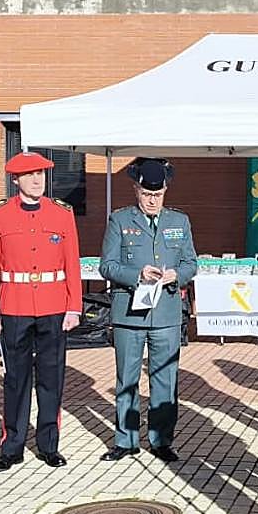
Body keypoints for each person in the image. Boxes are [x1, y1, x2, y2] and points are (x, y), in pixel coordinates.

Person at [0, 152, 83, 473]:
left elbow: (72, 262)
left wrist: (74, 306)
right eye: (29, 175)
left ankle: (49, 445)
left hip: (54, 306)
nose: (37, 180)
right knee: (15, 380)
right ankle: (11, 447)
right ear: (16, 180)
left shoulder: (62, 213)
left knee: (51, 378)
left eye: (41, 173)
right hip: (15, 306)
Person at [100, 157, 197, 463]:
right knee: (127, 378)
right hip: (130, 313)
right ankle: (125, 440)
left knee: (165, 380)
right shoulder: (120, 220)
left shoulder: (179, 221)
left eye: (158, 194)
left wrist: (177, 275)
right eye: (146, 194)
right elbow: (106, 265)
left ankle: (162, 440)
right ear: (136, 191)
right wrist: (137, 275)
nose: (153, 200)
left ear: (165, 191)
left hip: (166, 313)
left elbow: (191, 263)